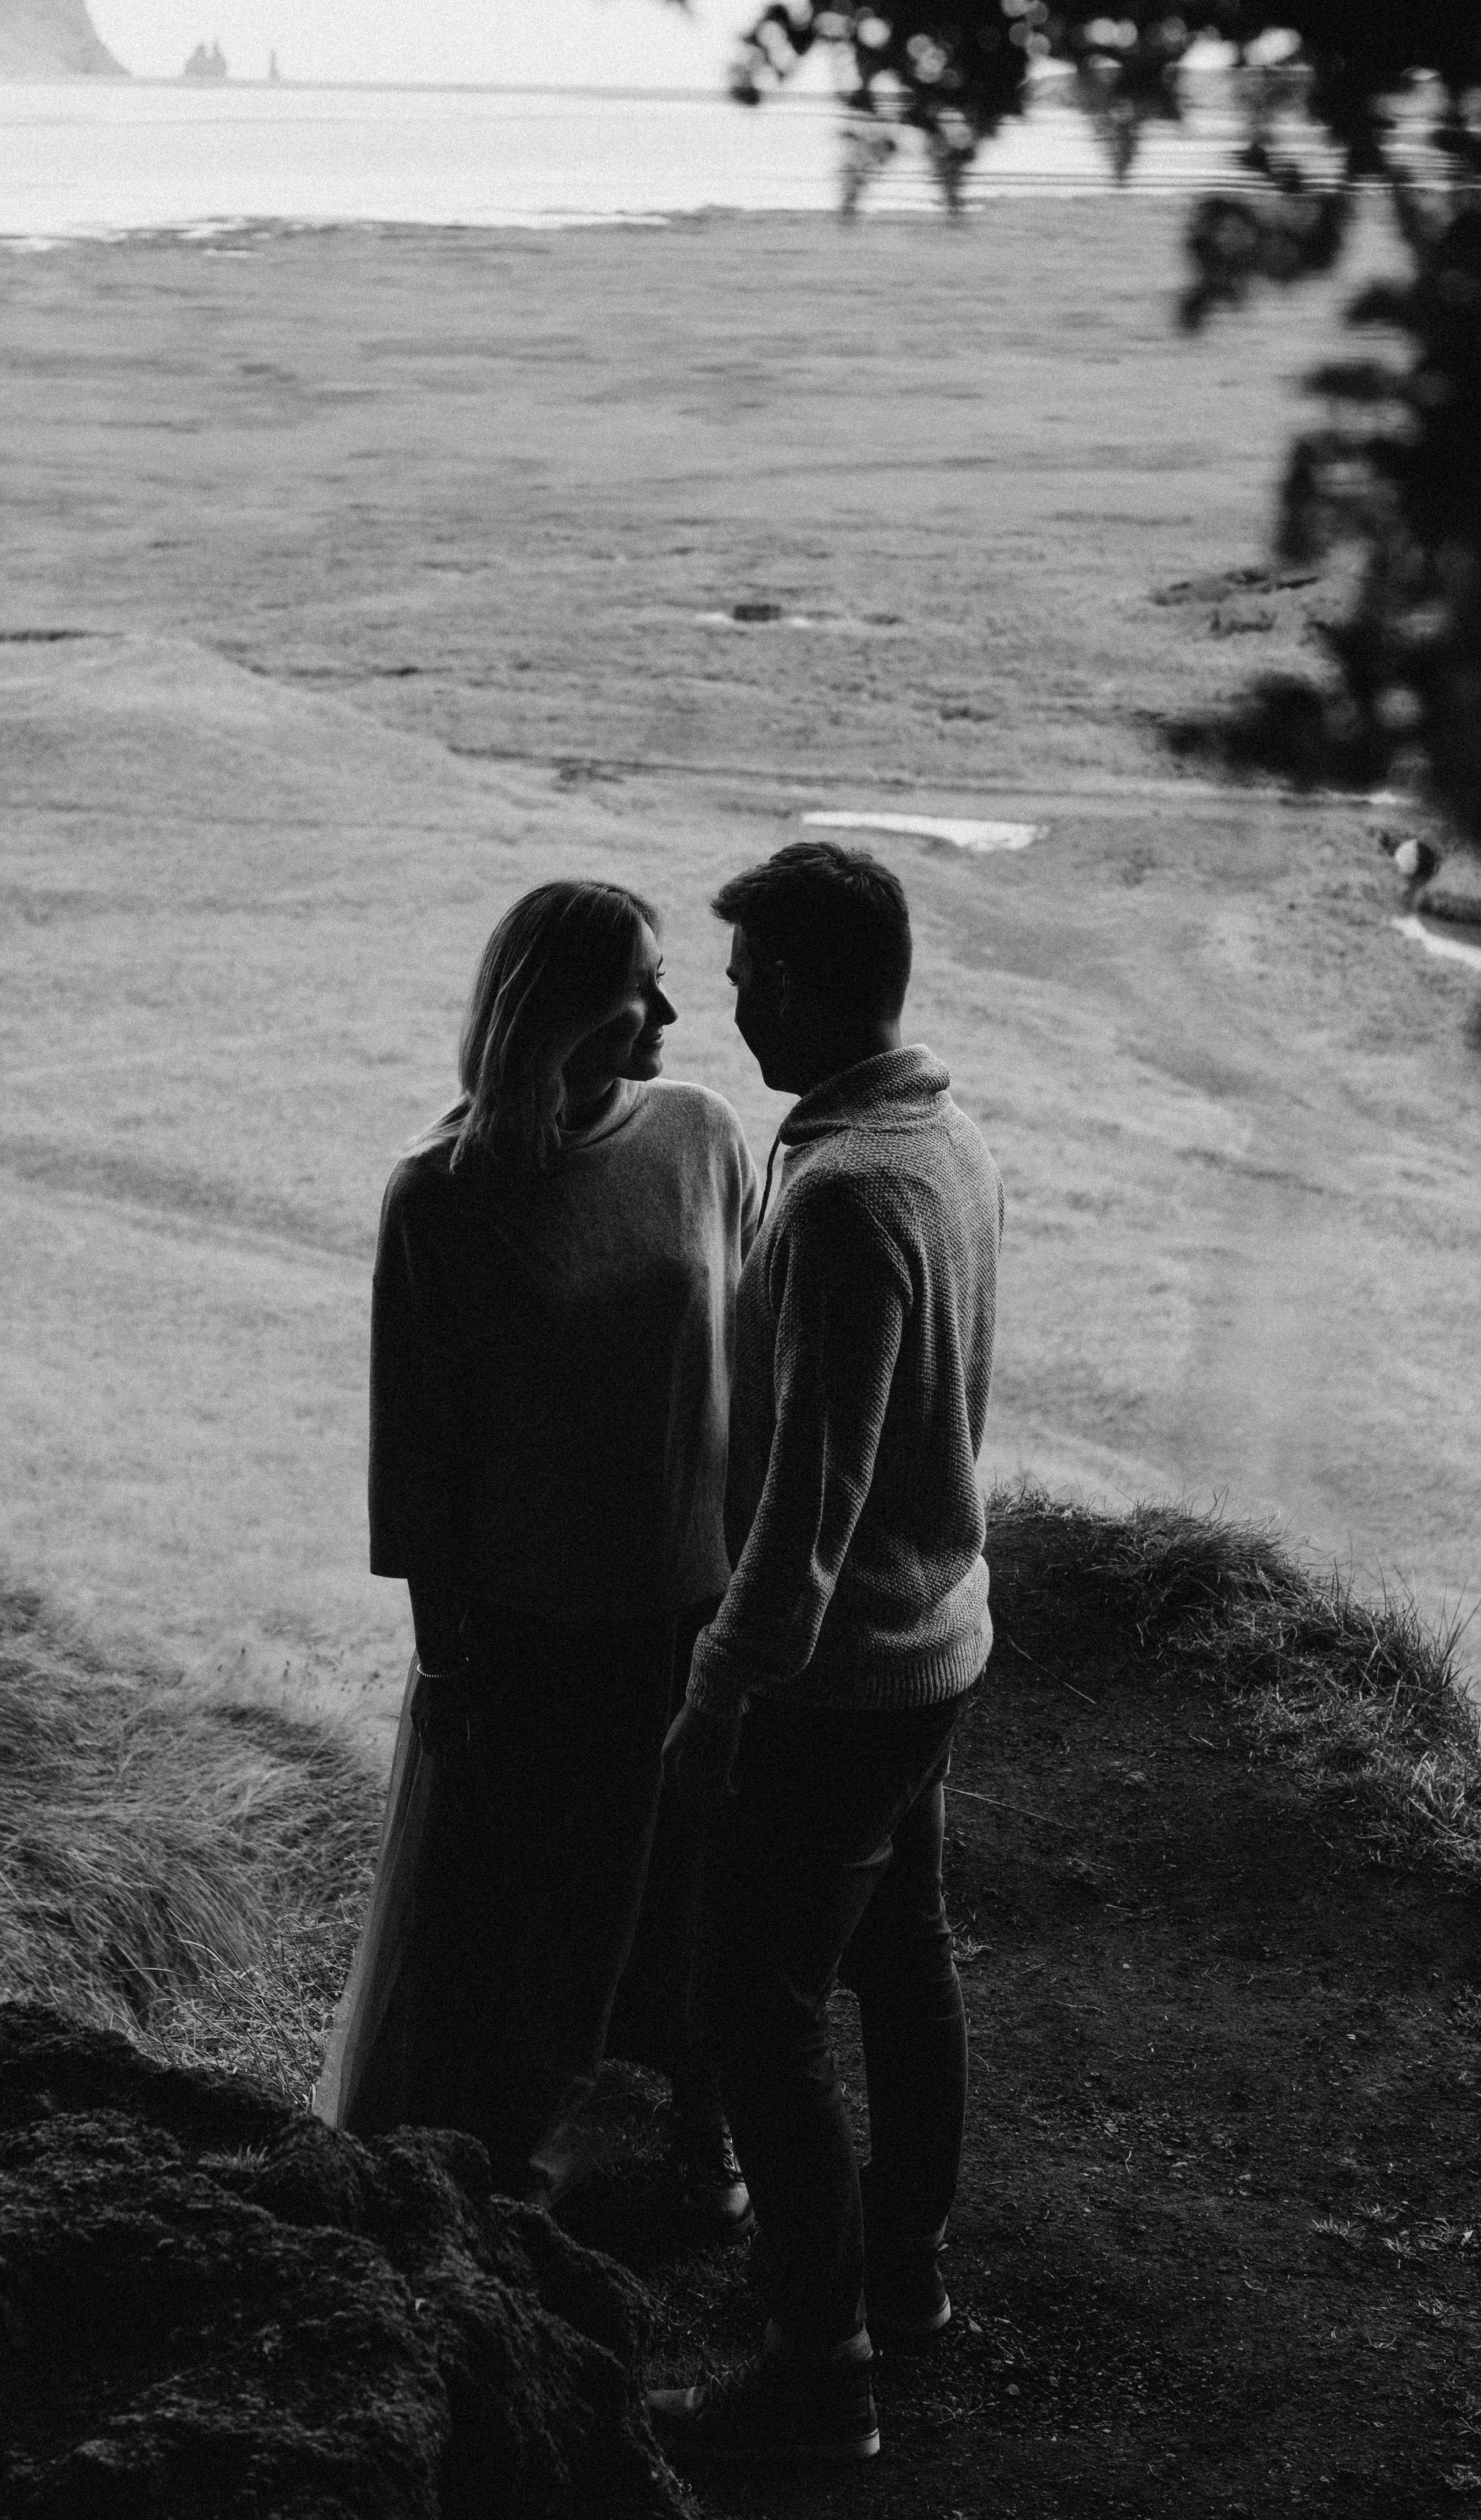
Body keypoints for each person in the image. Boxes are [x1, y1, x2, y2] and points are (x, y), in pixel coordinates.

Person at [648, 841, 1003, 2470]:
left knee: (761, 2002)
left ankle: (821, 2363)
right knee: (908, 1949)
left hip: (841, 1675)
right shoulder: (947, 1140)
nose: (725, 1010)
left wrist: (719, 1695)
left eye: (738, 982)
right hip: (941, 1643)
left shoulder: (847, 1192)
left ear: (794, 983)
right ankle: (908, 2273)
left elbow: (811, 1503)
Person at [360, 877, 757, 2221]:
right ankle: (498, 2168)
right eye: (640, 982)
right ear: (560, 1006)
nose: (670, 1007)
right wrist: (448, 1663)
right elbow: (418, 1459)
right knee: (529, 1913)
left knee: (690, 1890)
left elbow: (749, 1364)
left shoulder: (704, 1135)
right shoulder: (444, 1193)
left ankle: (699, 2144)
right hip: (534, 1630)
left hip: (695, 1609)